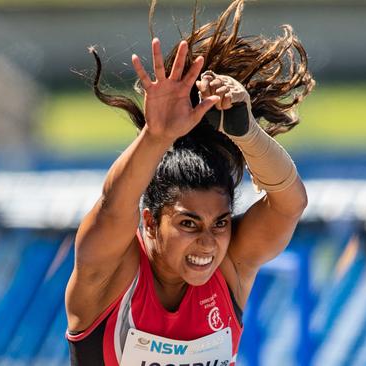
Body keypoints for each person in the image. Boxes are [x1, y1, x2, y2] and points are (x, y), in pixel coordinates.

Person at [65, 1, 314, 365]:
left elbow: (289, 204)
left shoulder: (230, 266)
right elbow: (112, 205)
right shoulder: (109, 271)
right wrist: (155, 136)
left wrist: (247, 133)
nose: (208, 242)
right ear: (149, 222)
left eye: (220, 223)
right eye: (188, 223)